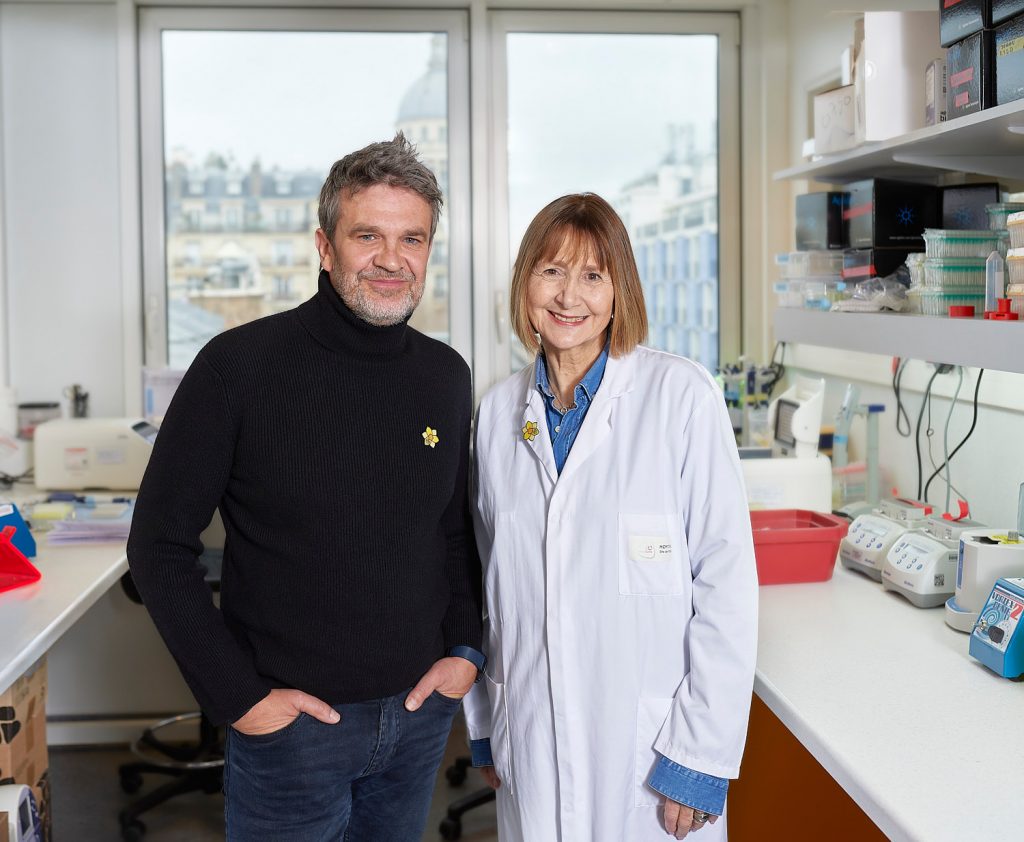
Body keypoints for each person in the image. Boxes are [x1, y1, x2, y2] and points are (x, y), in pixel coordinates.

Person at [127, 133, 484, 841]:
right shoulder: (238, 367)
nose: (391, 259)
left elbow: (451, 531)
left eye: (412, 238)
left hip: (418, 719)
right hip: (291, 733)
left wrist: (465, 653)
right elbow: (159, 546)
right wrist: (240, 700)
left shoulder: (446, 375)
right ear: (325, 247)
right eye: (368, 236)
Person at [463, 193, 758, 841]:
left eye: (594, 275)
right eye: (551, 271)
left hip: (650, 755)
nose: (570, 296)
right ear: (525, 285)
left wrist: (699, 759)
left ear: (620, 291)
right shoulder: (496, 415)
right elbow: (489, 590)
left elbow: (726, 587)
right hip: (532, 741)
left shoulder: (681, 398)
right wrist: (487, 725)